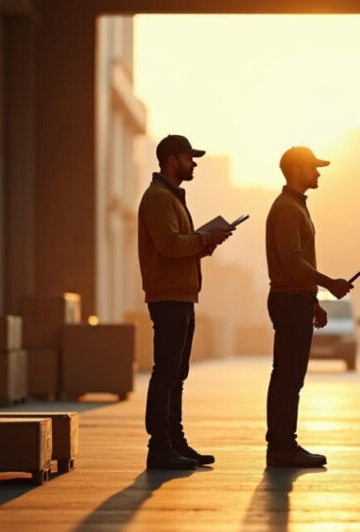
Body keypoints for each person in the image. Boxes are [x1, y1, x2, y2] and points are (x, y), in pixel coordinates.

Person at [138, 134, 233, 470]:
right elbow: (169, 245)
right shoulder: (158, 199)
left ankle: (175, 441)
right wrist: (203, 238)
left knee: (177, 373)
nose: (194, 163)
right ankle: (159, 446)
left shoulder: (173, 199)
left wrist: (206, 244)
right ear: (172, 160)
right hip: (168, 297)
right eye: (189, 157)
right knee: (165, 373)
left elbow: (180, 247)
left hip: (182, 295)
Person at [264, 146, 353, 468]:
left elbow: (295, 263)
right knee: (288, 376)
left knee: (287, 376)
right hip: (289, 301)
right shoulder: (288, 209)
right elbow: (291, 261)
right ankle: (283, 448)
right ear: (297, 169)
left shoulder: (295, 207)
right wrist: (330, 284)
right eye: (313, 167)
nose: (318, 173)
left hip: (295, 299)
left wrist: (313, 299)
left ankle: (281, 446)